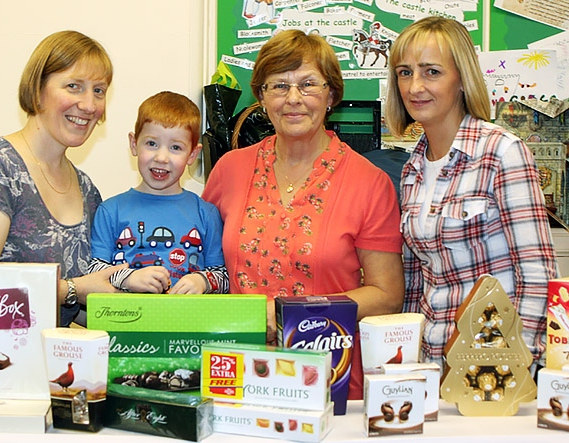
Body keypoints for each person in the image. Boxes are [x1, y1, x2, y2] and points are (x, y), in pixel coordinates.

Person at [201, 29, 404, 399]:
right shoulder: (229, 170)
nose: (293, 98)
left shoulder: (369, 183)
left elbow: (387, 294)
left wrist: (294, 316)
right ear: (261, 97)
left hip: (328, 376)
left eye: (308, 84)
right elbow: (204, 268)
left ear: (331, 95)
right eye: (278, 86)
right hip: (235, 372)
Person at [385, 16, 558, 371]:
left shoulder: (502, 152)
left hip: (492, 367)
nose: (415, 86)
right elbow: (417, 279)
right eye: (405, 72)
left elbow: (537, 273)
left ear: (461, 79)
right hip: (434, 362)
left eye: (431, 72)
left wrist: (514, 363)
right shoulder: (412, 168)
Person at [0, 30, 127, 327]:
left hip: (59, 366)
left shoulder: (87, 189)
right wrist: (72, 289)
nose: (89, 105)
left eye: (98, 91)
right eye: (74, 86)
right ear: (37, 90)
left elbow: (89, 303)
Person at [88, 91, 228, 294]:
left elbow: (223, 276)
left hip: (188, 323)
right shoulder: (111, 210)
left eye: (175, 147)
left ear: (192, 154)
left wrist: (202, 281)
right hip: (125, 322)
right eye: (151, 144)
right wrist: (129, 278)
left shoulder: (206, 213)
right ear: (134, 144)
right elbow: (94, 270)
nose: (161, 157)